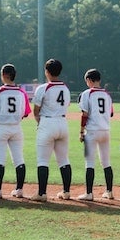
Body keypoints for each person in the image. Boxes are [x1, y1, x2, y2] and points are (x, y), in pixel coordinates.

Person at [0, 64, 31, 199]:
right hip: (16, 127)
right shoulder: (21, 92)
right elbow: (25, 113)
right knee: (19, 159)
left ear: (4, 75)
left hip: (0, 126)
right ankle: (19, 189)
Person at [30, 59, 72, 202]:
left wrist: (40, 123)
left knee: (43, 160)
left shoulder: (43, 88)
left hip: (47, 122)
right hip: (62, 122)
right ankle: (66, 192)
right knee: (64, 160)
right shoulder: (65, 88)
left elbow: (36, 111)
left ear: (47, 72)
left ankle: (42, 193)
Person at [77, 69, 114, 201]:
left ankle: (89, 193)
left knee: (89, 162)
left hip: (92, 131)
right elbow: (110, 113)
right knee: (106, 162)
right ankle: (109, 191)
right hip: (105, 131)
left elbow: (84, 115)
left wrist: (81, 131)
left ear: (89, 80)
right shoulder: (107, 95)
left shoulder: (87, 93)